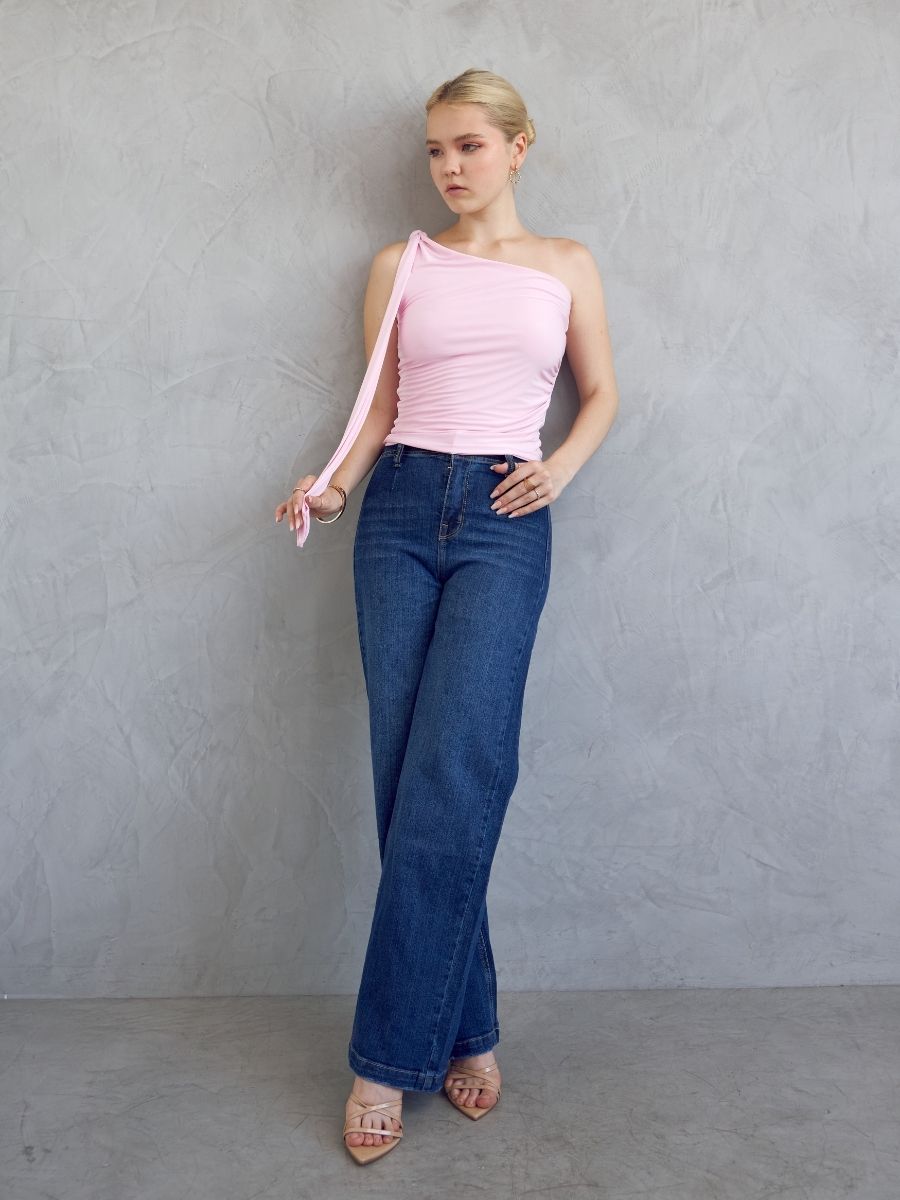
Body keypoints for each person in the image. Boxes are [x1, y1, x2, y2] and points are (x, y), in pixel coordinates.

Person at [274, 67, 619, 1165]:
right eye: (435, 149)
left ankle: (384, 1059)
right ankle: (467, 1029)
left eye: (469, 145)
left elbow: (604, 393)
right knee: (403, 776)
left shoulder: (566, 265)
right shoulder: (401, 265)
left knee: (458, 769)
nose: (449, 167)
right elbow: (377, 407)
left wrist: (560, 467)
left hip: (505, 518)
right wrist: (332, 490)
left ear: (519, 146)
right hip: (399, 510)